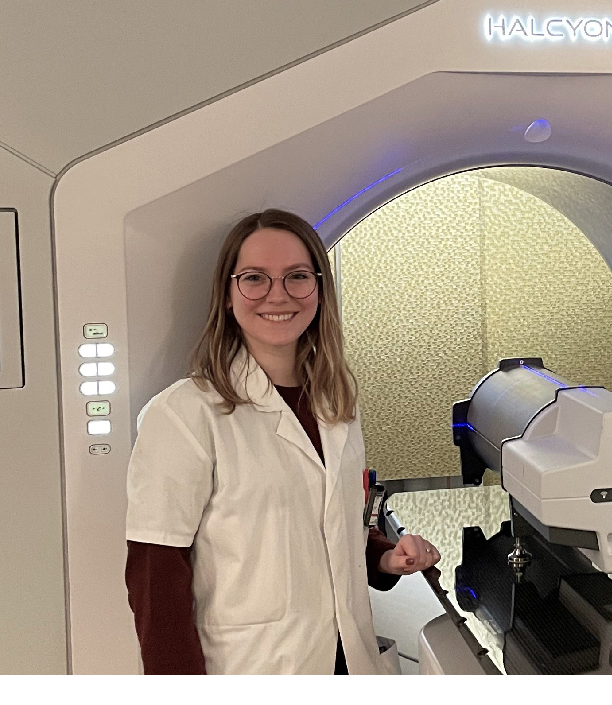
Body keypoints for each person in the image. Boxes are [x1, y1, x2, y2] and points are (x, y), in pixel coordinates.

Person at [124, 209, 441, 674]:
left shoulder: (337, 403)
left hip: (345, 661)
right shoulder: (184, 415)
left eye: (297, 277)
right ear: (228, 295)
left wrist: (383, 557)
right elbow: (156, 581)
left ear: (318, 291)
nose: (279, 295)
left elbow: (331, 526)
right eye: (255, 278)